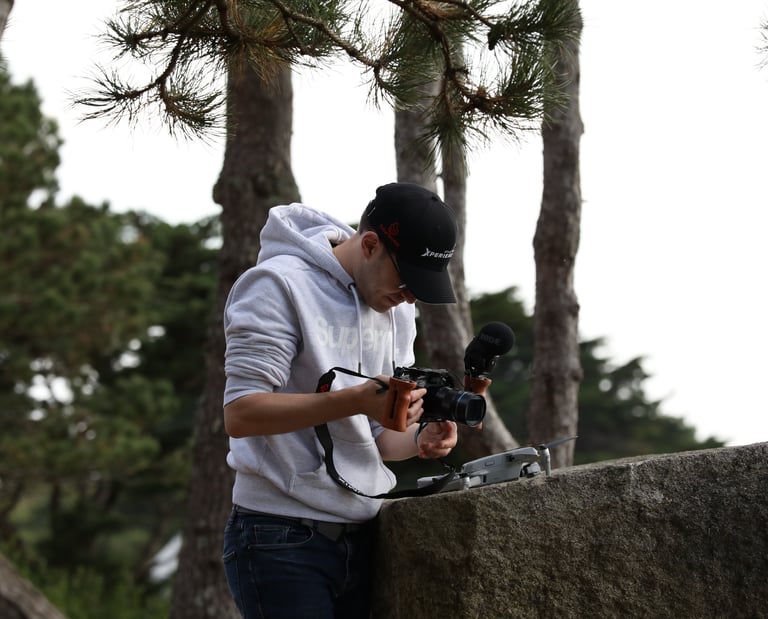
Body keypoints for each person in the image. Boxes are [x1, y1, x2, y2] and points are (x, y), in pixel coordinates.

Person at [221, 182, 461, 618]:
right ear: (370, 245)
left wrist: (418, 439)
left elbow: (377, 439)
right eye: (405, 279)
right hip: (279, 535)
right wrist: (355, 400)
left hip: (365, 531)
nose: (409, 296)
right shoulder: (277, 286)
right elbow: (241, 413)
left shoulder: (396, 311)